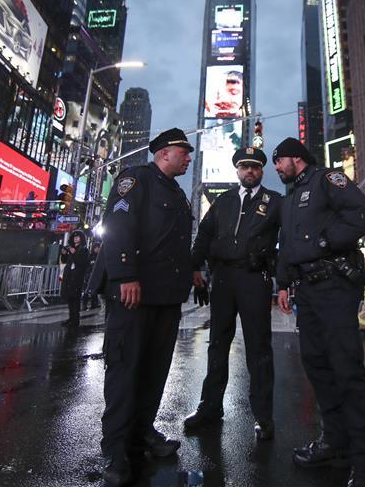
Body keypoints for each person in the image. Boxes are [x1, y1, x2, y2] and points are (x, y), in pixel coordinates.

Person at [273, 137, 365, 487]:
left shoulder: (327, 180)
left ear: (295, 158)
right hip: (307, 292)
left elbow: (360, 213)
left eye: (279, 161)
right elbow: (286, 246)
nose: (276, 168)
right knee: (317, 367)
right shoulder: (289, 201)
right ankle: (335, 443)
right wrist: (283, 284)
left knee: (346, 369)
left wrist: (325, 241)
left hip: (334, 287)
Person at [99, 128, 196, 487]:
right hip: (133, 293)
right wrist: (125, 273)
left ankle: (141, 433)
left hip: (166, 296)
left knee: (155, 370)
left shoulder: (177, 192)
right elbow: (119, 225)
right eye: (183, 152)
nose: (188, 157)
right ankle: (115, 449)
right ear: (163, 153)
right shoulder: (136, 179)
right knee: (125, 370)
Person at [185, 146, 282, 440]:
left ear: (261, 171)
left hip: (255, 278)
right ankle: (210, 407)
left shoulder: (275, 202)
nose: (249, 171)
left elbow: (289, 239)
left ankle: (263, 416)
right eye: (244, 167)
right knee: (217, 344)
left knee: (259, 348)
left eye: (254, 167)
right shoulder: (224, 201)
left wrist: (286, 281)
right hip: (224, 278)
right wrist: (195, 269)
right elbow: (203, 235)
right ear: (237, 171)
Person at [59, 229, 89, 328]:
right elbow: (65, 261)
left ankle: (75, 320)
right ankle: (71, 318)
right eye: (74, 237)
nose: (76, 238)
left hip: (77, 277)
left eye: (78, 237)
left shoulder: (84, 249)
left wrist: (74, 253)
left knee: (75, 299)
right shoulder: (71, 248)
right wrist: (63, 253)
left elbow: (81, 263)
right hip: (69, 276)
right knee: (70, 298)